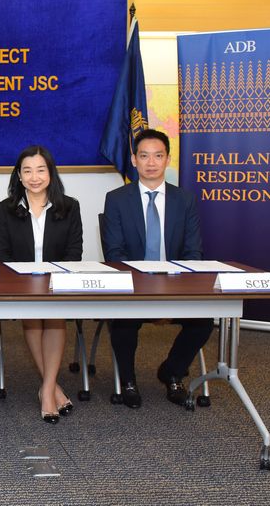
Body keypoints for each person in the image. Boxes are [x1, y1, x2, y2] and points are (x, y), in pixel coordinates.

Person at [101, 128, 207, 408]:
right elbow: (115, 255)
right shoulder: (117, 199)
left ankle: (172, 371)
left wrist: (171, 295)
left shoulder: (185, 200)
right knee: (123, 320)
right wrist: (147, 293)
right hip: (133, 288)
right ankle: (128, 380)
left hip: (175, 286)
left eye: (158, 156)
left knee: (204, 321)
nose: (151, 162)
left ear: (167, 160)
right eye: (144, 156)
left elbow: (193, 253)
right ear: (133, 160)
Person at [0, 145, 82, 424]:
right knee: (33, 317)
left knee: (54, 318)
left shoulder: (69, 206)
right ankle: (52, 388)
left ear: (50, 173)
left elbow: (74, 252)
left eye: (40, 170)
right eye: (27, 171)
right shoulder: (6, 209)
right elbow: (2, 257)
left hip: (57, 281)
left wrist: (55, 280)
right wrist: (25, 281)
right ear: (19, 176)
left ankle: (46, 388)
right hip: (22, 283)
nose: (34, 177)